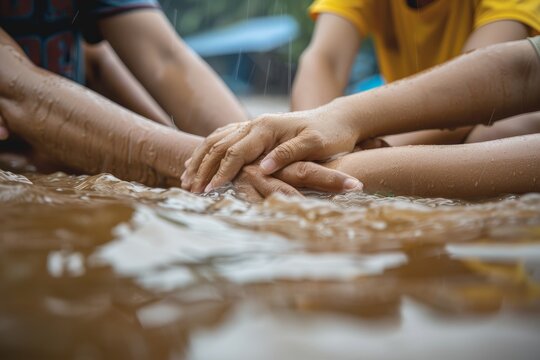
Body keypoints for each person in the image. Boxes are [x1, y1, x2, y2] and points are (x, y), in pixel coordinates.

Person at [0, 1, 361, 198]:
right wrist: (215, 166)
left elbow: (165, 59)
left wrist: (249, 148)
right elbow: (17, 88)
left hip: (58, 153)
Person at [182, 37, 540, 198]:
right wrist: (315, 136)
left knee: (510, 127)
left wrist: (352, 158)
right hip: (398, 127)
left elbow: (499, 89)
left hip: (484, 125)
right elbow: (325, 59)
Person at [292, 0, 540, 146]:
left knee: (498, 134)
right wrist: (310, 142)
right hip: (409, 130)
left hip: (494, 122)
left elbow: (487, 85)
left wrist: (373, 149)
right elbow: (325, 60)